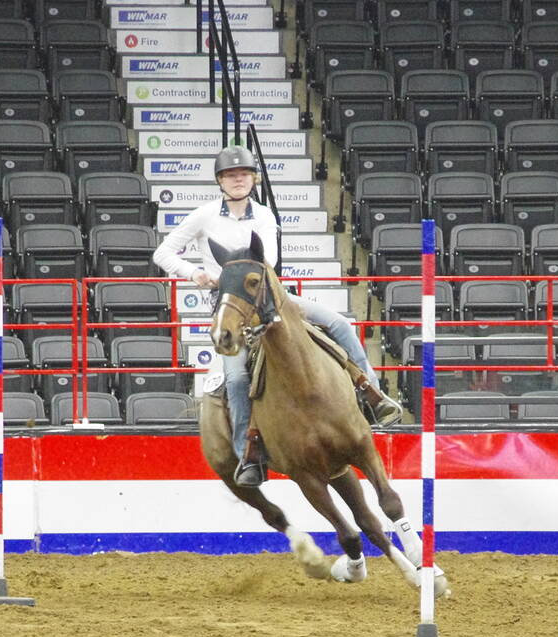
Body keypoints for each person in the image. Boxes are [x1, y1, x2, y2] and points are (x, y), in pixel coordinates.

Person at [153, 145, 402, 487]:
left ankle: (374, 397)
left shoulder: (266, 215)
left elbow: (265, 259)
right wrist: (195, 273)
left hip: (269, 298)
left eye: (243, 174)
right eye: (230, 175)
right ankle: (246, 454)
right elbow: (162, 252)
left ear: (253, 179)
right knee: (237, 378)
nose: (238, 180)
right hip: (232, 307)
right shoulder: (203, 215)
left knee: (340, 323)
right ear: (220, 182)